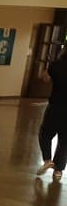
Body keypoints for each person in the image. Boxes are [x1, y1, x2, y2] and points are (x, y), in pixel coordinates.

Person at [36, 45, 67, 180]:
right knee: (65, 140)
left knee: (45, 134)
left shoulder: (56, 64)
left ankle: (48, 160)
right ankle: (58, 170)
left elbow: (45, 79)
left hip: (55, 106)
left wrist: (48, 68)